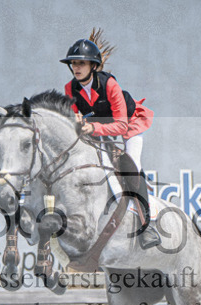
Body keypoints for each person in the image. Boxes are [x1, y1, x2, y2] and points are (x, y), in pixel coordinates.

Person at [60, 36, 161, 249]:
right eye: (73, 63)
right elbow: (77, 117)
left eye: (81, 63)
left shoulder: (110, 84)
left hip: (129, 124)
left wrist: (93, 127)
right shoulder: (70, 88)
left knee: (132, 168)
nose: (76, 67)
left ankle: (148, 225)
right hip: (99, 130)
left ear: (93, 66)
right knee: (102, 168)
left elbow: (121, 126)